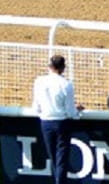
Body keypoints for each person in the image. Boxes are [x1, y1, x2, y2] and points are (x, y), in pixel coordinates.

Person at [31, 56, 80, 184]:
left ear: (50, 66)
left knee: (54, 159)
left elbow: (36, 106)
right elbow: (70, 111)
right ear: (63, 68)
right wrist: (77, 111)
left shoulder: (39, 81)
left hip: (45, 123)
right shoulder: (66, 84)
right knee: (61, 160)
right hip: (61, 123)